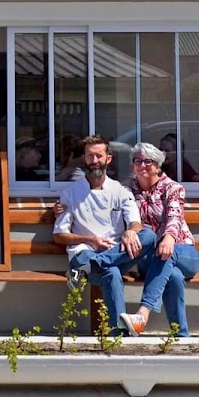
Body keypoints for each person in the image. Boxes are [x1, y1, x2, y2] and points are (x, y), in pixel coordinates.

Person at [53, 135, 157, 332]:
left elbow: (136, 223)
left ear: (108, 159)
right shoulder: (70, 193)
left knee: (149, 236)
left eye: (99, 156)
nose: (95, 161)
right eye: (90, 156)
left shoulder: (120, 191)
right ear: (84, 159)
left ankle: (88, 269)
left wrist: (130, 232)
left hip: (115, 251)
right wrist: (91, 240)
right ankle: (120, 334)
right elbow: (60, 236)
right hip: (84, 253)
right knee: (112, 271)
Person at [118, 141, 199, 336]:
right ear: (132, 166)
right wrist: (63, 207)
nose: (142, 165)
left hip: (183, 252)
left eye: (148, 161)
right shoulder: (125, 190)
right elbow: (103, 200)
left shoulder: (173, 188)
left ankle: (143, 313)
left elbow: (174, 216)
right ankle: (181, 335)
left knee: (167, 254)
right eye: (137, 161)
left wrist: (169, 238)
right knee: (172, 275)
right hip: (151, 258)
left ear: (158, 166)